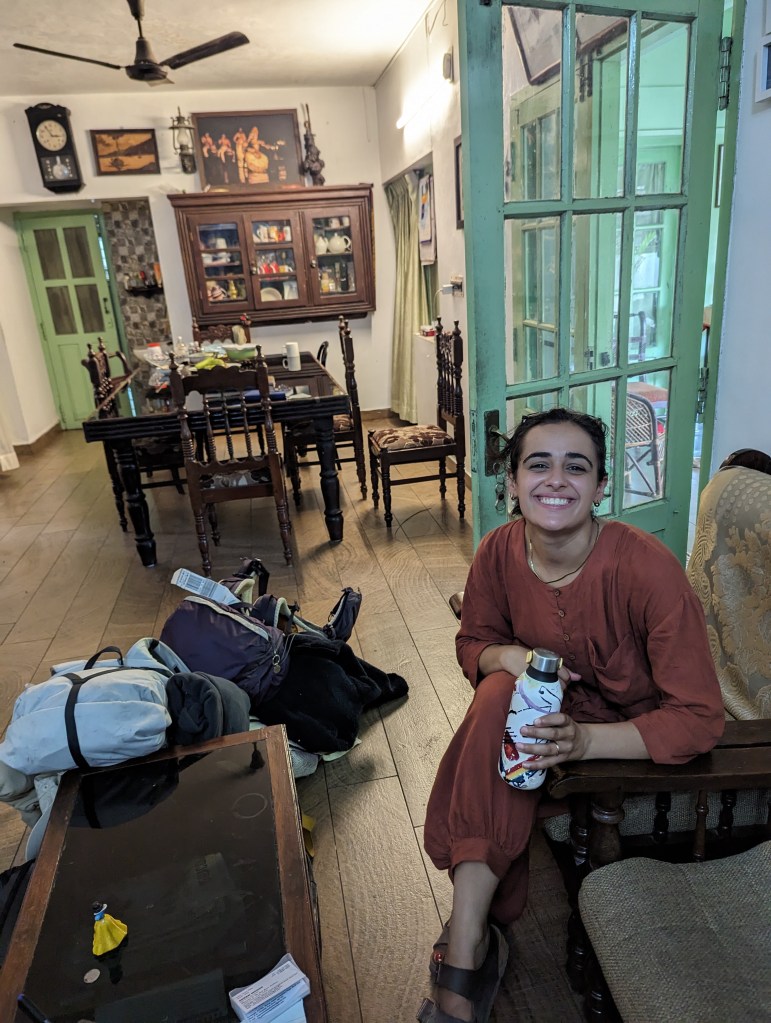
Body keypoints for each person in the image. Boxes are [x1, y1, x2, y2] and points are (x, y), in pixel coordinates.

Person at [419, 407, 724, 1023]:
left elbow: (698, 716)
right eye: (538, 464)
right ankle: (471, 933)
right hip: (540, 729)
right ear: (512, 482)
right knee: (498, 691)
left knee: (501, 708)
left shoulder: (646, 568)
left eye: (576, 467)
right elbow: (472, 641)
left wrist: (584, 742)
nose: (556, 480)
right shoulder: (497, 551)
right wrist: (508, 656)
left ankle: (467, 946)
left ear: (601, 486)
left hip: (627, 742)